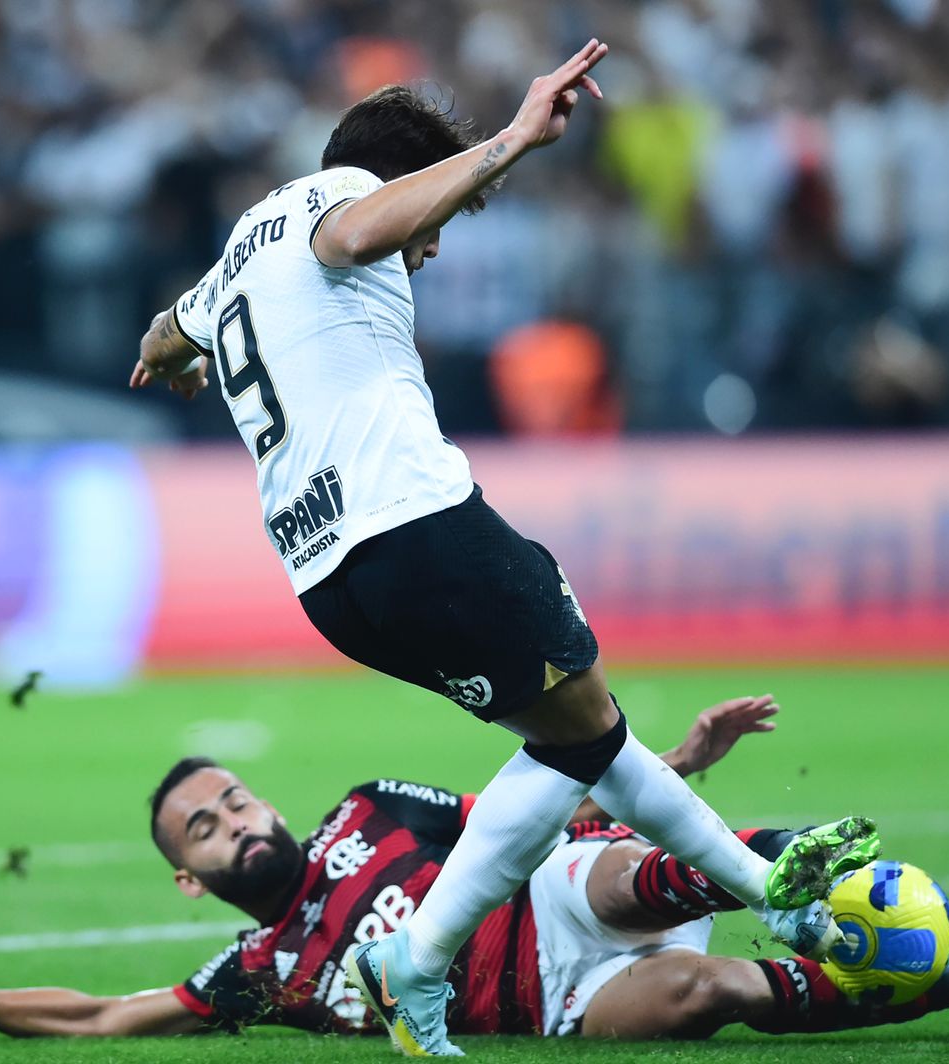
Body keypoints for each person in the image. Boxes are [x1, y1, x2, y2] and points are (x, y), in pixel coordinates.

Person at [126, 40, 876, 1056]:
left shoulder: (239, 251)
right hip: (411, 522)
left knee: (578, 729)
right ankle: (423, 958)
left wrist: (161, 350)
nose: (431, 249)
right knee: (582, 728)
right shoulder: (340, 198)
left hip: (329, 580)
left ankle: (766, 894)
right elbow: (356, 231)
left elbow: (175, 326)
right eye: (434, 221)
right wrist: (515, 141)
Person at [0, 694, 949, 1043]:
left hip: (558, 895)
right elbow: (101, 1017)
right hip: (545, 1003)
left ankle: (766, 871)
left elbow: (541, 797)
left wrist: (676, 767)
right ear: (191, 884)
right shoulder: (258, 971)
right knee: (693, 1004)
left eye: (232, 799)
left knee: (607, 876)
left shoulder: (371, 812)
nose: (234, 822)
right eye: (204, 834)